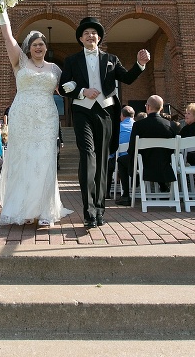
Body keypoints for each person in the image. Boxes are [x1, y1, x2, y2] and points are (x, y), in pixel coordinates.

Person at [60, 17, 150, 228]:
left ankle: (100, 209)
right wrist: (82, 91)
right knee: (88, 156)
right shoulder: (72, 61)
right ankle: (89, 211)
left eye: (94, 33)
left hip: (106, 113)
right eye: (86, 33)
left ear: (99, 38)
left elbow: (127, 78)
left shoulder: (111, 58)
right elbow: (64, 85)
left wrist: (140, 64)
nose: (90, 35)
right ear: (81, 39)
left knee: (101, 161)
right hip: (82, 111)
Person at [0, 13, 71, 226]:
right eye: (35, 44)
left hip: (47, 117)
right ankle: (25, 209)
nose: (39, 47)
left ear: (46, 48)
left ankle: (45, 211)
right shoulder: (20, 62)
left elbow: (65, 91)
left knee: (45, 160)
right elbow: (8, 36)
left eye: (42, 44)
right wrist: (2, 9)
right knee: (24, 159)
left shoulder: (55, 69)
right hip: (23, 116)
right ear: (29, 47)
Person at [115, 95, 177, 205]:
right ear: (161, 108)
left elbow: (132, 148)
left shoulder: (138, 125)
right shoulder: (171, 125)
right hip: (165, 164)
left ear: (147, 107)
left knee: (121, 160)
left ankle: (125, 195)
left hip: (143, 164)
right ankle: (163, 187)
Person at [107, 105, 135, 192]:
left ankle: (107, 192)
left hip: (121, 160)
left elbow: (112, 147)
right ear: (133, 116)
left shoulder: (118, 128)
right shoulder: (138, 126)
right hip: (138, 159)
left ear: (122, 115)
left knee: (108, 164)